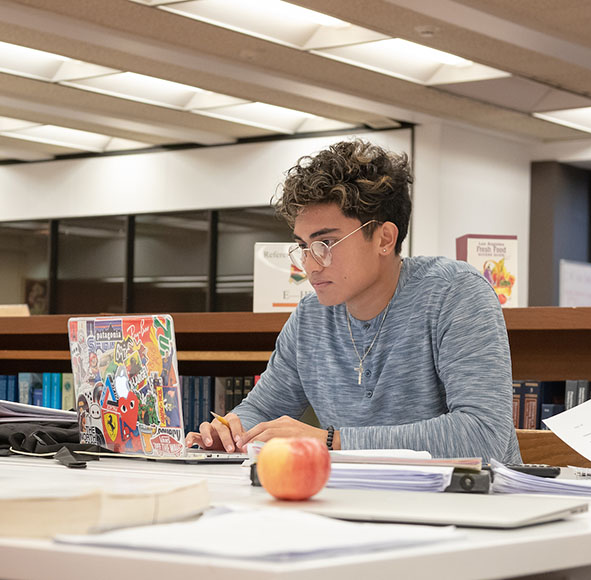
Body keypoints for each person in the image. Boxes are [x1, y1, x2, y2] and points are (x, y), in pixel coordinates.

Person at [186, 139, 522, 463]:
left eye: (326, 244)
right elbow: (261, 409)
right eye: (303, 246)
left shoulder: (455, 294)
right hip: (358, 504)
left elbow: (483, 435)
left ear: (384, 239)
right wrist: (230, 431)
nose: (310, 265)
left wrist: (332, 441)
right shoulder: (310, 318)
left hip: (470, 504)